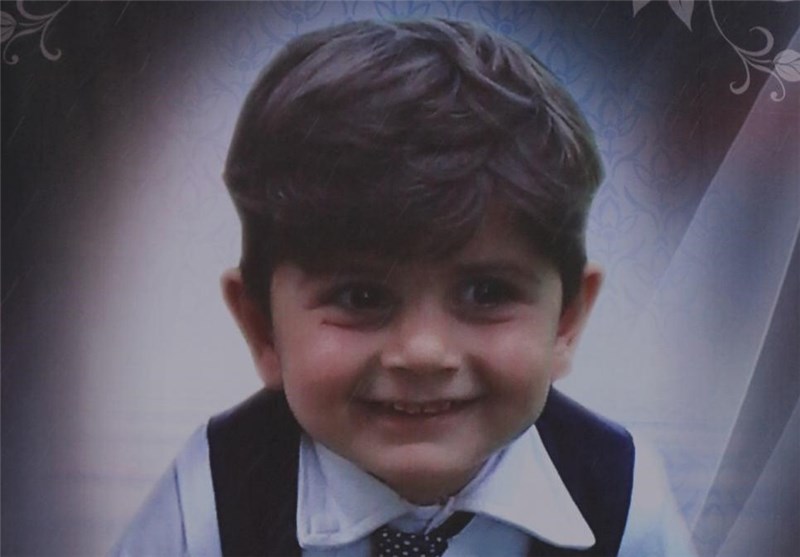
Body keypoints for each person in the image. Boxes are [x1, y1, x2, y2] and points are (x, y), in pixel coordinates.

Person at [112, 18, 695, 557]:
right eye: (362, 298)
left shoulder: (622, 498)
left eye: (486, 293)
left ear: (566, 319)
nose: (423, 352)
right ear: (263, 326)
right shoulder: (207, 503)